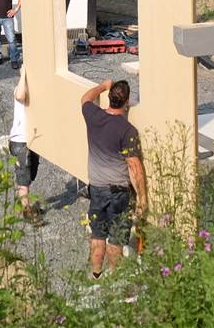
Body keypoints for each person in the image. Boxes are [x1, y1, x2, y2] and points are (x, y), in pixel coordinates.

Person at [80, 79, 147, 279]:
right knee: (116, 239)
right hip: (119, 194)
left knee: (98, 235)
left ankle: (96, 274)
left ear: (109, 98)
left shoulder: (93, 116)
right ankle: (114, 277)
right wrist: (142, 198)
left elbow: (85, 98)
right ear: (126, 102)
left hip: (97, 189)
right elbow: (135, 166)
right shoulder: (127, 130)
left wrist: (103, 85)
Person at [9, 69, 42, 225]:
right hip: (19, 141)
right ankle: (27, 212)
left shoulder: (37, 94)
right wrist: (24, 73)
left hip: (32, 140)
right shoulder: (19, 90)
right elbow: (20, 95)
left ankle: (20, 202)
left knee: (30, 176)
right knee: (24, 179)